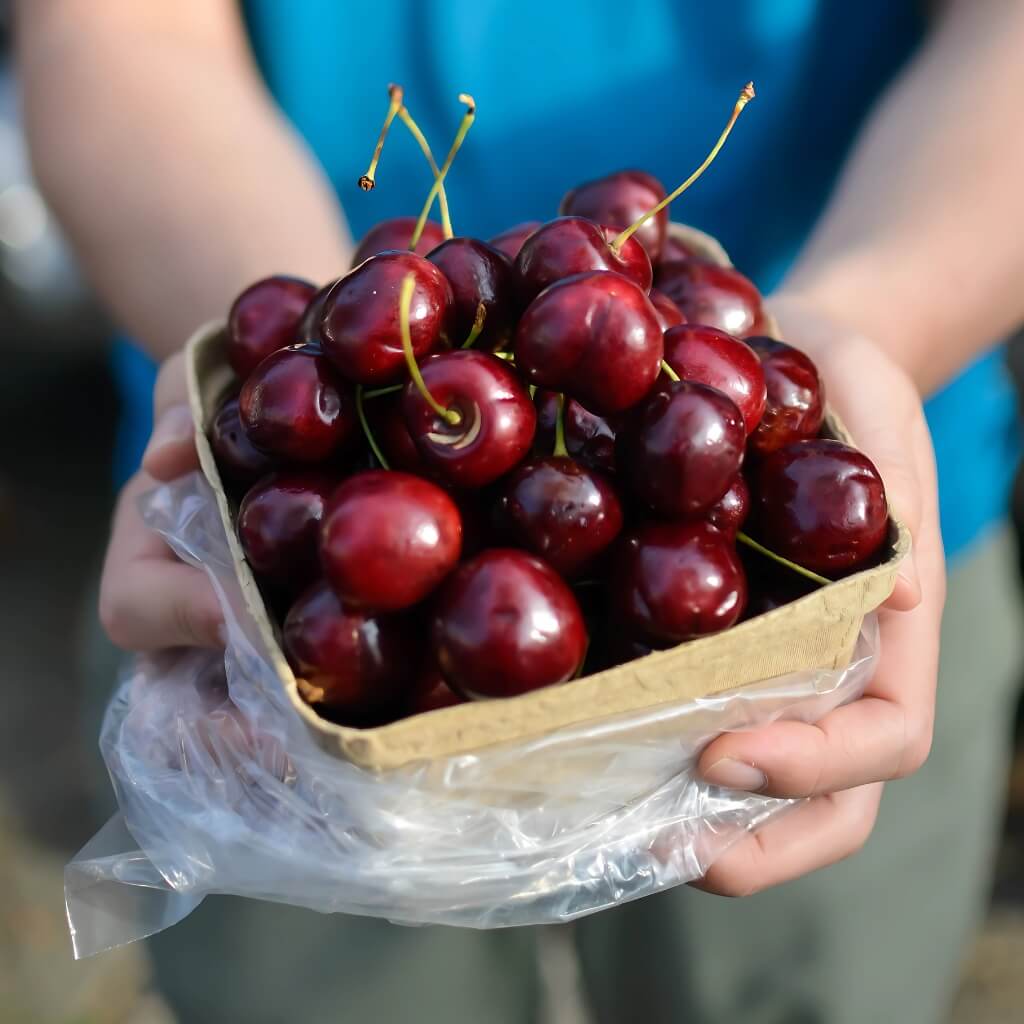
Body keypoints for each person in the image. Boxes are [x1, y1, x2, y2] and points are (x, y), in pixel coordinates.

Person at [14, 1, 1024, 1021]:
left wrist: (870, 318)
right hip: (305, 646)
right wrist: (289, 370)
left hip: (809, 571)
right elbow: (117, 29)